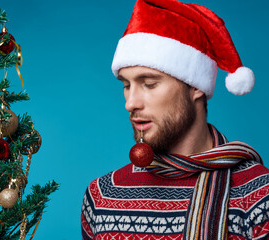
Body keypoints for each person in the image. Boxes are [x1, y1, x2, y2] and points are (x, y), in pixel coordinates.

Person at [80, 0, 269, 239]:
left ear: (195, 87)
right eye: (127, 86)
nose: (131, 103)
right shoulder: (102, 195)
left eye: (149, 84)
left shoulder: (259, 197)